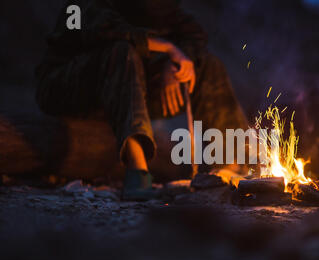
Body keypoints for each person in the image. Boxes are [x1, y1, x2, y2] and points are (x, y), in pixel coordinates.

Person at [36, 0, 248, 200]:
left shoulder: (163, 11)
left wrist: (174, 64)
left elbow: (193, 34)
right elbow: (102, 29)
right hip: (68, 89)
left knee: (206, 65)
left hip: (127, 92)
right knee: (122, 52)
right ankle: (138, 174)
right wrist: (168, 48)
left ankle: (228, 167)